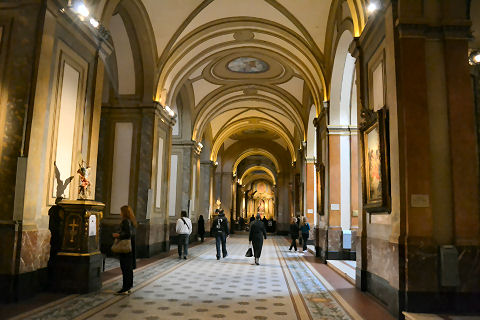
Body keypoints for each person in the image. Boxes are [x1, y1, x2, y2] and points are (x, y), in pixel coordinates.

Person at [112, 205, 137, 295]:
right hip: (130, 247)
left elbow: (127, 234)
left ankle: (125, 288)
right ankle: (129, 286)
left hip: (125, 247)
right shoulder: (132, 221)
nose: (120, 213)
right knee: (129, 268)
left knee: (125, 268)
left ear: (124, 212)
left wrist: (118, 235)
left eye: (121, 211)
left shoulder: (125, 221)